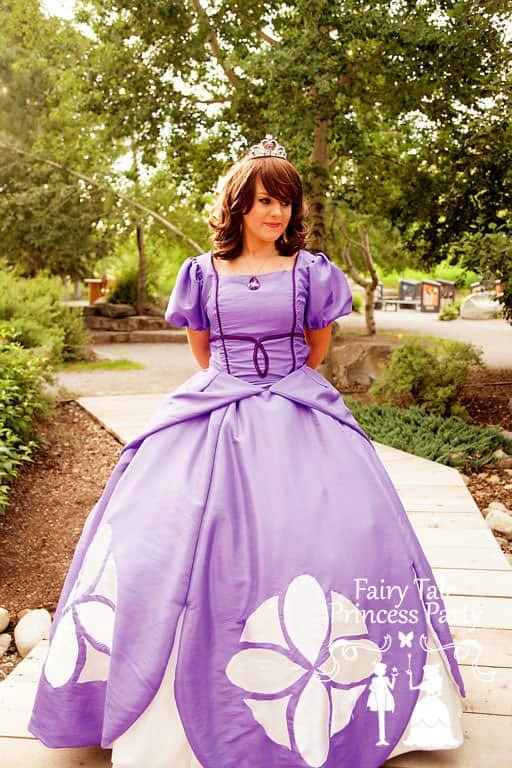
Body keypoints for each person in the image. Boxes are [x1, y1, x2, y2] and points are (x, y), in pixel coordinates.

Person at [28, 135, 465, 768]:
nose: (276, 213)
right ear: (237, 206)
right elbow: (201, 352)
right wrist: (238, 386)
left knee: (339, 533)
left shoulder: (313, 272)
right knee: (155, 536)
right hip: (215, 405)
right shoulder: (201, 272)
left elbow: (316, 351)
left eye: (285, 201)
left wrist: (274, 385)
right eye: (263, 200)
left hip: (299, 406)